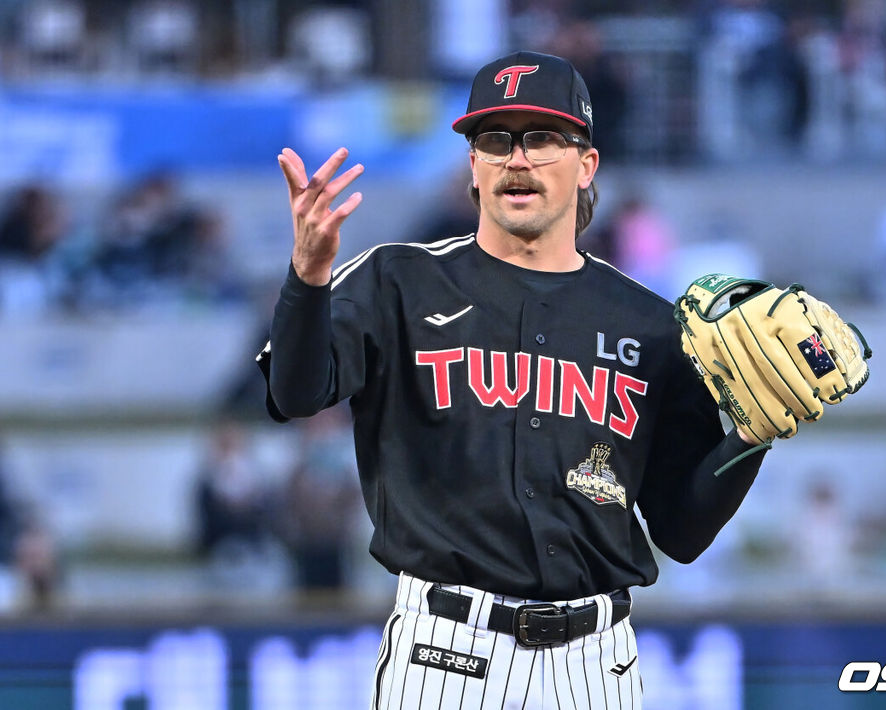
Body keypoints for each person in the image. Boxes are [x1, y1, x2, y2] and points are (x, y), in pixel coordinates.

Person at [258, 51, 768, 710]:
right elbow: (294, 394)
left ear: (586, 165)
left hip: (596, 664)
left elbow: (681, 533)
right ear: (473, 165)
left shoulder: (651, 325)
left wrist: (751, 437)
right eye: (495, 140)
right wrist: (308, 274)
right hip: (444, 652)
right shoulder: (397, 281)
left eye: (543, 138)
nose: (516, 158)